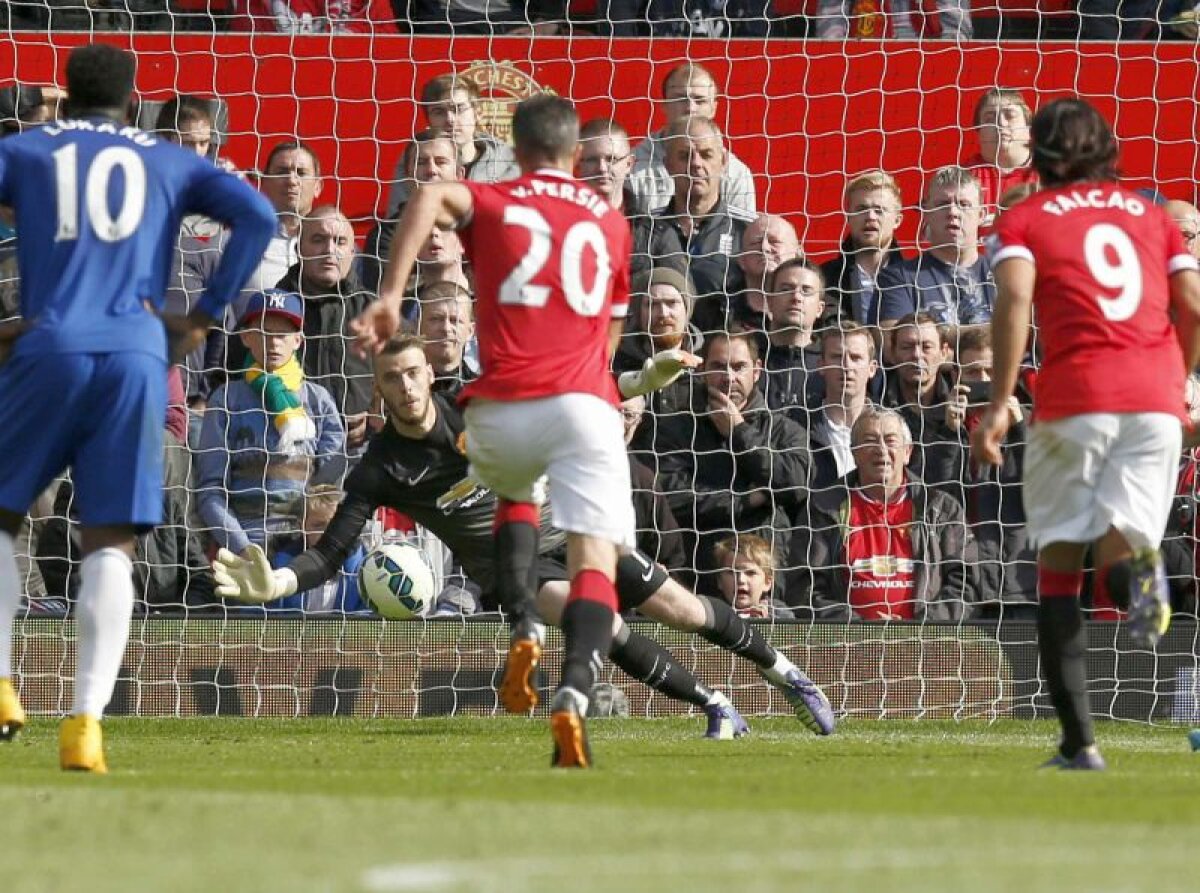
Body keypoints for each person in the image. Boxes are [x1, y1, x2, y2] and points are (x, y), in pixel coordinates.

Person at [212, 335, 835, 738]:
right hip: (512, 568)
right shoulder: (380, 466)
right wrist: (281, 580)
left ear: (429, 373)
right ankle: (716, 707)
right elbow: (332, 549)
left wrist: (643, 381)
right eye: (391, 379)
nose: (404, 387)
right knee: (594, 619)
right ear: (378, 388)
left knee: (682, 609)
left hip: (565, 527)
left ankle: (787, 676)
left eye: (411, 373)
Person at [0, 44, 275, 771]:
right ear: (132, 104)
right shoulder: (166, 158)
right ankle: (85, 724)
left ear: (65, 94)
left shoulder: (29, 149)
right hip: (136, 354)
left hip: (50, 342)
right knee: (110, 540)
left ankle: (0, 683)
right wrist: (208, 314)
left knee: (2, 515)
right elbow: (257, 214)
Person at [354, 96, 634, 768]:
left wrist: (392, 295)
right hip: (586, 398)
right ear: (574, 154)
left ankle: (525, 620)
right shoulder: (614, 224)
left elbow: (425, 198)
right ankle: (575, 686)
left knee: (511, 493)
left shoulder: (497, 198)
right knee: (594, 562)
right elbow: (614, 325)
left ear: (514, 143)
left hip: (503, 398)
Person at [972, 98, 1200, 770]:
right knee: (1122, 545)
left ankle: (1079, 743)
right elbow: (1192, 304)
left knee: (1060, 570)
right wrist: (1179, 377)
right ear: (1109, 150)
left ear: (1038, 154)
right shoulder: (1155, 216)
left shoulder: (1025, 217)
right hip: (1156, 399)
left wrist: (999, 400)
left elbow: (1014, 298)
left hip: (1076, 398)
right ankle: (1145, 583)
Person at [196, 289, 346, 565]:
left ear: (298, 340)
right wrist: (243, 548)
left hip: (304, 551)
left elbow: (330, 484)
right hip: (244, 551)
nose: (273, 343)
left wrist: (311, 545)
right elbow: (210, 491)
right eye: (264, 333)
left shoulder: (319, 400)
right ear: (246, 337)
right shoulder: (226, 400)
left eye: (282, 335)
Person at [654, 331, 811, 587]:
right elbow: (674, 499)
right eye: (718, 366)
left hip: (766, 586)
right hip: (697, 580)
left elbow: (795, 485)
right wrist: (746, 500)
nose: (729, 377)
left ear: (757, 371)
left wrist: (738, 431)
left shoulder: (785, 431)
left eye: (739, 367)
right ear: (702, 370)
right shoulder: (677, 429)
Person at [789, 408, 975, 621]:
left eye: (890, 440)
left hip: (925, 646)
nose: (881, 450)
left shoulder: (940, 509)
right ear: (854, 453)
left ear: (907, 452)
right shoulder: (823, 508)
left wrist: (918, 628)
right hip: (846, 646)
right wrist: (860, 629)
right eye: (870, 441)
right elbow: (805, 588)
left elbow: (965, 585)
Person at [631, 116, 754, 335]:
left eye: (706, 155)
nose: (696, 163)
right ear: (668, 165)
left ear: (724, 162)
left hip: (724, 358)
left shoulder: (747, 232)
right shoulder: (643, 231)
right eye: (684, 155)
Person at [627, 64, 756, 217]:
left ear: (714, 108)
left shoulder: (736, 173)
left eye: (699, 100)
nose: (690, 108)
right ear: (664, 105)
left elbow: (743, 236)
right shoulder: (631, 166)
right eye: (681, 99)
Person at [876, 167, 995, 329]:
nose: (953, 212)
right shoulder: (898, 278)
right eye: (943, 204)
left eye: (963, 204)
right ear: (926, 211)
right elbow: (895, 343)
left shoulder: (1003, 274)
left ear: (981, 215)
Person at [384, 76, 517, 217]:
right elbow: (395, 224)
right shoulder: (414, 161)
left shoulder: (509, 162)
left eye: (458, 109)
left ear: (478, 114)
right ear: (429, 119)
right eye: (439, 112)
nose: (450, 119)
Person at [820, 170, 907, 327]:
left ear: (897, 220)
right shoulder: (824, 277)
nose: (870, 217)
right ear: (848, 216)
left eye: (879, 210)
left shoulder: (914, 279)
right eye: (861, 209)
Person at [809, 323, 879, 492]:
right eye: (837, 356)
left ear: (872, 368)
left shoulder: (893, 427)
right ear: (821, 365)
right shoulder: (800, 425)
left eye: (855, 357)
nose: (846, 366)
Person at [760, 257, 826, 425]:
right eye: (786, 288)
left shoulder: (831, 361)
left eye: (806, 291)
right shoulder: (748, 355)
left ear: (820, 308)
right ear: (769, 301)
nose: (796, 297)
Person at [963, 89, 1038, 231]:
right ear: (978, 131)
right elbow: (930, 233)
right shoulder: (961, 177)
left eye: (1010, 116)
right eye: (990, 118)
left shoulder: (1051, 175)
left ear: (1029, 127)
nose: (1000, 125)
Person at [713, 534, 792, 619]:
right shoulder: (711, 612)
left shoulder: (780, 614)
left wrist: (764, 624)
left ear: (767, 582)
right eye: (732, 572)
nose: (741, 580)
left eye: (750, 573)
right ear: (719, 581)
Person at [576, 118, 641, 220]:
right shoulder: (560, 226)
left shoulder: (652, 231)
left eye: (611, 159)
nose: (602, 168)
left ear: (629, 164)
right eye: (592, 159)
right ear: (578, 163)